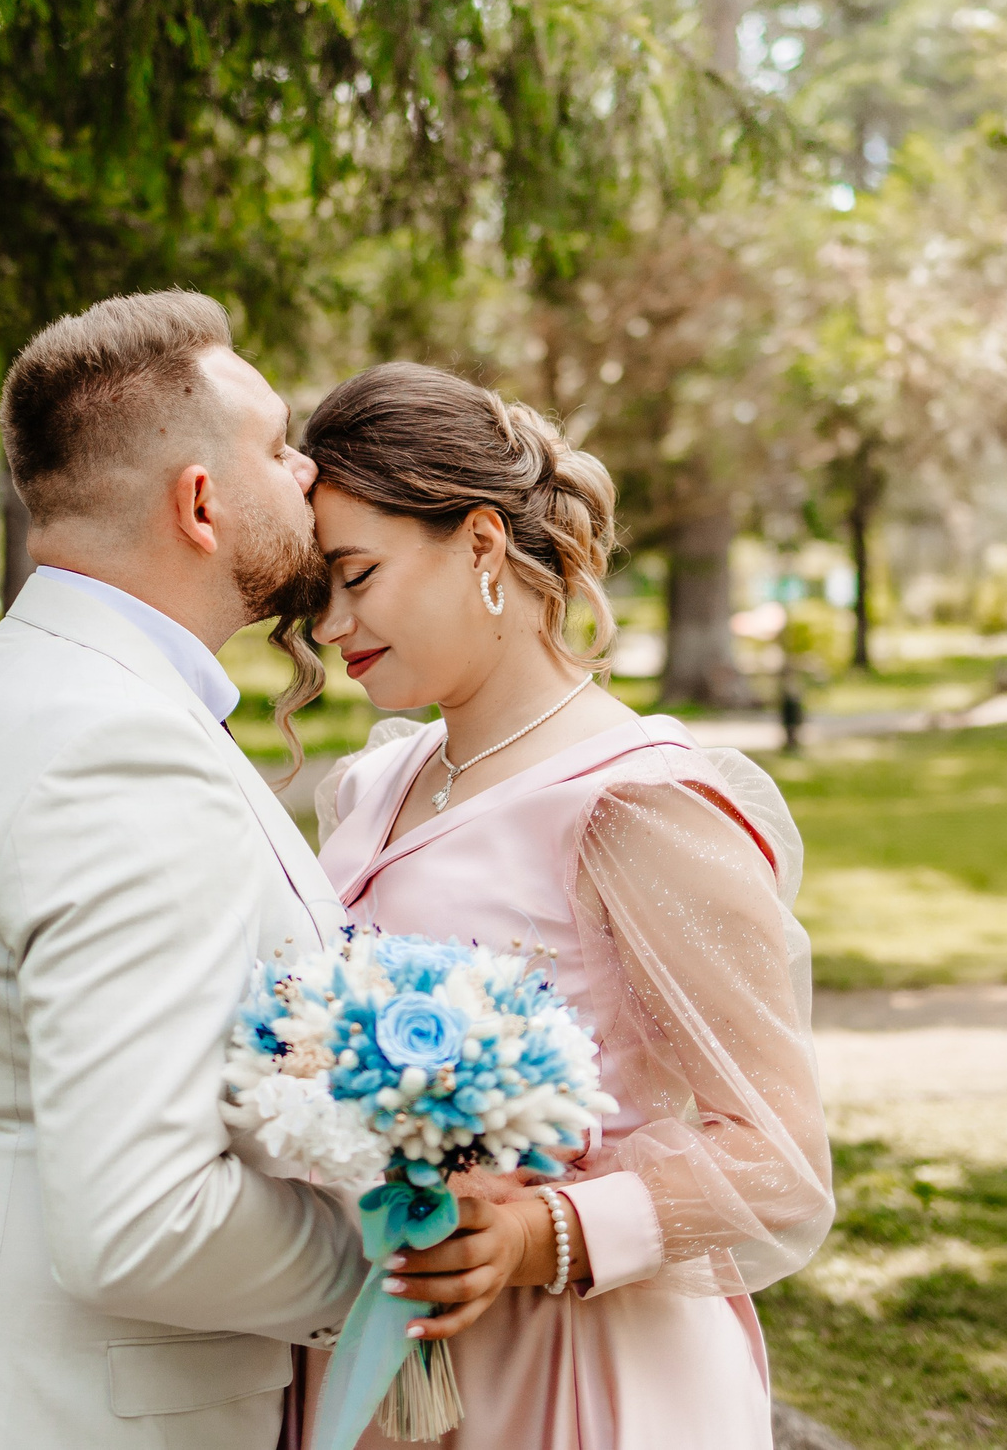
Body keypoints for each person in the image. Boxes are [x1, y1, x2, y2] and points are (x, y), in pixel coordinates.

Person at [0, 297, 520, 1450]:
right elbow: (140, 1221)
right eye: (280, 445)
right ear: (200, 503)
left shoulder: (4, 686)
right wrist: (400, 1260)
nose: (306, 471)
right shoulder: (118, 752)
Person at [291, 361, 834, 1449]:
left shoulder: (636, 804)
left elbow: (781, 1159)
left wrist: (547, 1231)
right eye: (318, 595)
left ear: (482, 545)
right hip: (375, 1348)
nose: (331, 627)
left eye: (357, 575)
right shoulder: (376, 782)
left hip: (570, 1370)